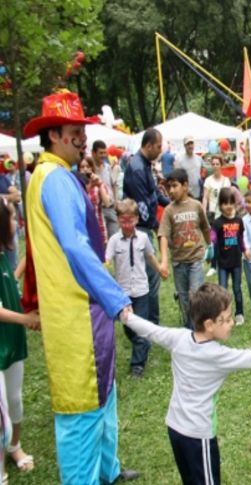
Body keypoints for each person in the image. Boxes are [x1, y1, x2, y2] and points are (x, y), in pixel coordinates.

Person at [23, 90, 139, 483]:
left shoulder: (58, 175)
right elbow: (73, 244)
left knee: (103, 396)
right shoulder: (54, 178)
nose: (82, 139)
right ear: (53, 135)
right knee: (81, 409)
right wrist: (116, 297)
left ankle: (109, 469)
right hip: (76, 313)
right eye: (74, 132)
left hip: (86, 309)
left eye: (82, 131)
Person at [120, 283, 251, 485]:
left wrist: (126, 316)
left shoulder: (178, 338)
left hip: (174, 429)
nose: (231, 323)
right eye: (226, 320)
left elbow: (151, 330)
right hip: (198, 437)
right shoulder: (217, 355)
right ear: (209, 325)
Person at [0, 200, 40, 478]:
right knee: (0, 406)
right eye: (13, 219)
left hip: (12, 341)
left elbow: (9, 282)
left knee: (15, 400)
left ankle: (15, 446)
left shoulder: (4, 256)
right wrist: (26, 319)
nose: (17, 224)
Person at [105, 199, 162, 378]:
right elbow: (107, 259)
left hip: (141, 290)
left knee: (140, 328)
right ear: (118, 220)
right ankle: (143, 344)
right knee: (128, 327)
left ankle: (137, 365)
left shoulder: (143, 238)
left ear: (136, 219)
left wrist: (160, 269)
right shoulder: (114, 240)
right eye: (123, 221)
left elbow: (150, 257)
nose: (127, 224)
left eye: (130, 220)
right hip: (123, 293)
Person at [124, 127, 170, 330]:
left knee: (148, 279)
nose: (161, 150)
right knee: (149, 278)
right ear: (149, 145)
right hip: (139, 229)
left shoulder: (145, 165)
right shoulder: (136, 168)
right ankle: (149, 324)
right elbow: (142, 205)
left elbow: (153, 195)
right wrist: (157, 226)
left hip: (145, 227)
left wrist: (173, 203)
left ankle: (149, 321)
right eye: (159, 146)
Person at [158, 169, 211, 329]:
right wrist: (164, 262)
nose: (171, 190)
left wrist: (211, 247)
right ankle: (188, 330)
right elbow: (163, 235)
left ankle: (197, 329)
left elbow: (205, 228)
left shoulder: (196, 206)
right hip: (178, 262)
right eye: (169, 187)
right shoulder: (169, 210)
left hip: (195, 258)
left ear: (185, 186)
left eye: (175, 186)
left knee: (195, 294)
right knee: (184, 298)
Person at [213, 188, 245, 325]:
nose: (228, 206)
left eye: (231, 203)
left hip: (236, 261)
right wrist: (211, 240)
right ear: (220, 205)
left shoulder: (238, 220)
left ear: (234, 204)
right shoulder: (217, 222)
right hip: (223, 263)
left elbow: (241, 238)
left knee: (237, 289)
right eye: (225, 203)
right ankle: (224, 315)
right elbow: (213, 237)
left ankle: (239, 313)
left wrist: (245, 250)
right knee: (222, 290)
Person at [78, 156, 113, 244]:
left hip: (98, 225)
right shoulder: (77, 184)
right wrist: (90, 186)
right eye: (82, 167)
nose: (85, 169)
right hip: (83, 227)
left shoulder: (98, 184)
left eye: (88, 166)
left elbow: (107, 203)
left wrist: (100, 184)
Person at [92, 141, 119, 237]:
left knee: (115, 237)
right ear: (93, 153)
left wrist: (116, 202)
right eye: (101, 153)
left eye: (105, 153)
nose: (103, 155)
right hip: (97, 209)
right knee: (101, 239)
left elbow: (113, 185)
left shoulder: (108, 168)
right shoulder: (90, 169)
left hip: (110, 208)